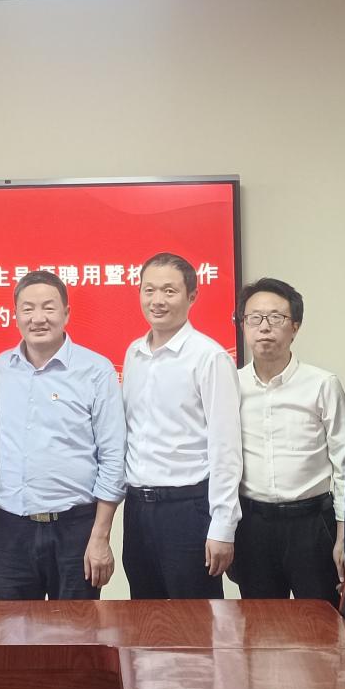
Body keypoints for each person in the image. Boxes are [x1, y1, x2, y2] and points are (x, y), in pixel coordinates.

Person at [0, 269, 126, 600]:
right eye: (28, 309)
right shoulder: (0, 368)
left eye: (48, 308)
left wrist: (100, 535)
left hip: (75, 529)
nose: (38, 318)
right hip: (11, 528)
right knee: (9, 629)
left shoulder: (96, 370)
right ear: (16, 315)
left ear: (66, 313)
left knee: (77, 629)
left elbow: (112, 456)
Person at [121, 252, 242, 599]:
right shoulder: (133, 354)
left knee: (196, 621)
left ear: (192, 296)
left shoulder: (209, 357)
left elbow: (225, 447)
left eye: (169, 291)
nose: (157, 300)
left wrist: (223, 526)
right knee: (144, 616)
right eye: (149, 290)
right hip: (138, 509)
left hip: (188, 510)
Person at [234, 277, 345, 605]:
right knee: (259, 624)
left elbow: (344, 464)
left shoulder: (322, 384)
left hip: (312, 524)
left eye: (276, 318)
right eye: (254, 318)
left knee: (321, 622)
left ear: (295, 327)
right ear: (243, 325)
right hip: (252, 525)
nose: (264, 327)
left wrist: (344, 533)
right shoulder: (230, 384)